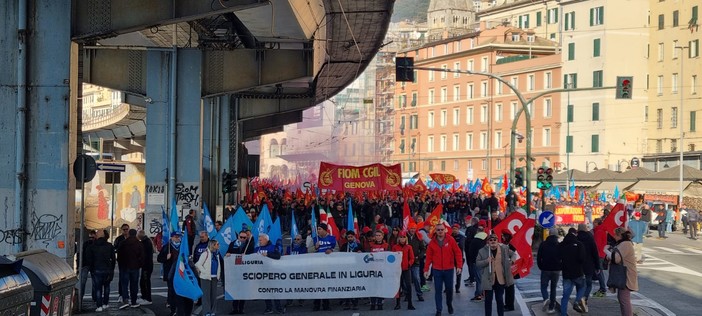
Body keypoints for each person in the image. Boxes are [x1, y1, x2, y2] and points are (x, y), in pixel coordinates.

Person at [423, 223, 462, 316]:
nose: (440, 231)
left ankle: (449, 304)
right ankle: (439, 309)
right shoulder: (432, 243)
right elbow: (428, 257)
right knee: (438, 290)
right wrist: (426, 269)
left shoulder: (451, 240)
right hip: (437, 270)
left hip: (449, 269)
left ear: (445, 230)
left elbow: (458, 253)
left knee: (449, 289)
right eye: (438, 230)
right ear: (435, 231)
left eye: (441, 229)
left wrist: (459, 266)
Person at [476, 233, 515, 316]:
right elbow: (478, 264)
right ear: (488, 242)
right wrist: (486, 261)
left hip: (500, 279)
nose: (493, 241)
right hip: (488, 279)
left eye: (494, 240)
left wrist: (511, 261)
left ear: (497, 241)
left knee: (500, 300)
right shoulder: (482, 251)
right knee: (488, 301)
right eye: (491, 240)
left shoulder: (504, 248)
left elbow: (513, 254)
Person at [604, 227, 639, 316]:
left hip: (626, 275)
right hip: (624, 274)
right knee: (622, 298)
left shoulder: (625, 244)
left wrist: (606, 251)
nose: (614, 237)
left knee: (624, 299)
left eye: (615, 235)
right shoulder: (623, 243)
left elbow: (616, 258)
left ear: (619, 235)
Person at [225, 229, 255, 314]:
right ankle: (234, 308)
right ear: (238, 236)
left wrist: (246, 256)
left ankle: (241, 308)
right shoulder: (232, 244)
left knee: (243, 290)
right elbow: (228, 253)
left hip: (244, 271)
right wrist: (228, 254)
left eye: (244, 237)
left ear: (246, 238)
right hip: (234, 271)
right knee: (235, 290)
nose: (242, 239)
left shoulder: (249, 245)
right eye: (241, 237)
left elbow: (252, 256)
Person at [559, 228, 588, 315]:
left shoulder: (562, 244)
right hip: (577, 272)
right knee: (583, 286)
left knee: (565, 296)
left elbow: (558, 257)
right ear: (576, 234)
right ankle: (577, 300)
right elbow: (582, 258)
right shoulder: (579, 244)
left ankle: (563, 314)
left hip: (566, 273)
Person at [85, 229, 115, 312]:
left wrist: (92, 269)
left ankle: (99, 306)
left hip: (97, 269)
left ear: (97, 236)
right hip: (107, 269)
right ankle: (105, 303)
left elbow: (89, 259)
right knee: (107, 287)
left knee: (98, 288)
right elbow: (113, 259)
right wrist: (111, 269)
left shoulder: (92, 246)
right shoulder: (109, 246)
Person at [256, 233, 284, 314]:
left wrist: (268, 254)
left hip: (272, 273)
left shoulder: (273, 247)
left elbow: (278, 256)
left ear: (266, 239)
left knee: (274, 291)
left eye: (260, 240)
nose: (259, 241)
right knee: (265, 291)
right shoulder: (257, 248)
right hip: (261, 273)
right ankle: (269, 308)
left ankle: (278, 308)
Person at [117, 229, 144, 309]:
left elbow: (119, 256)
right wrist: (139, 265)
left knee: (124, 284)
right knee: (134, 285)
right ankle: (133, 301)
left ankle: (125, 300)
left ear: (128, 234)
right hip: (135, 267)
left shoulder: (123, 243)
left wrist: (121, 265)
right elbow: (142, 257)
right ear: (135, 234)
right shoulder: (139, 244)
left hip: (124, 267)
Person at [158, 231, 183, 316]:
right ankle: (173, 309)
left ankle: (179, 307)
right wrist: (166, 257)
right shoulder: (167, 247)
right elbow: (159, 259)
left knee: (179, 290)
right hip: (170, 273)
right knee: (172, 290)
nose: (178, 238)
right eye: (176, 237)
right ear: (172, 238)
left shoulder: (182, 247)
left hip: (180, 272)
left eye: (179, 237)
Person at [195, 240, 223, 316]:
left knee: (213, 295)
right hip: (205, 277)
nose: (218, 245)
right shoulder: (205, 254)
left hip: (214, 277)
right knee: (206, 296)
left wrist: (218, 274)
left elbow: (218, 265)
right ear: (213, 245)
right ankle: (206, 312)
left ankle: (213, 311)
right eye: (217, 244)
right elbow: (198, 264)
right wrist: (205, 272)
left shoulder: (216, 254)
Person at [537, 227, 561, 314]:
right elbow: (562, 257)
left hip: (545, 268)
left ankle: (546, 298)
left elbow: (539, 257)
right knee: (553, 288)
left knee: (543, 286)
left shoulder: (543, 244)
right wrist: (560, 267)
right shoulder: (559, 245)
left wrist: (541, 266)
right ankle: (551, 308)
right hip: (556, 269)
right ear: (557, 235)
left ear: (549, 234)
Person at [576, 223, 601, 307]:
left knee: (579, 284)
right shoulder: (590, 238)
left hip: (579, 265)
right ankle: (585, 298)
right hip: (589, 265)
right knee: (588, 284)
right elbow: (595, 253)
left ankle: (579, 298)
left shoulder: (576, 238)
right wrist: (597, 266)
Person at [313, 223, 336, 311]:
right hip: (317, 265)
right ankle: (316, 304)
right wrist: (315, 247)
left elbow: (337, 249)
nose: (318, 231)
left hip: (328, 265)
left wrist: (331, 250)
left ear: (325, 229)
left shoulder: (332, 238)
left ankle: (326, 304)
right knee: (317, 285)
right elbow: (309, 250)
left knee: (326, 284)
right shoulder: (315, 239)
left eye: (320, 229)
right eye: (318, 229)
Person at [392, 230, 416, 310]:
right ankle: (398, 303)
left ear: (406, 239)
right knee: (398, 287)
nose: (402, 239)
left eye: (403, 237)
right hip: (397, 269)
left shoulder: (409, 247)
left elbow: (412, 258)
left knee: (408, 286)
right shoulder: (395, 247)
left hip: (406, 269)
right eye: (401, 237)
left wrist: (409, 264)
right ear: (398, 238)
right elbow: (392, 258)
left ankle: (410, 303)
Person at [339, 231, 362, 310]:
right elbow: (340, 256)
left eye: (351, 237)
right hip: (346, 269)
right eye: (348, 237)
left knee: (355, 286)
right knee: (347, 286)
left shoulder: (358, 246)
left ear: (354, 237)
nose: (350, 238)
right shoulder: (344, 246)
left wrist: (361, 253)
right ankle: (347, 302)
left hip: (356, 269)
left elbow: (365, 255)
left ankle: (355, 303)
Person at [368, 230, 389, 310]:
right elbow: (366, 256)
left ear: (382, 236)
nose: (378, 237)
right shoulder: (371, 245)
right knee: (373, 286)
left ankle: (380, 302)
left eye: (379, 235)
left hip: (382, 269)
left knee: (381, 286)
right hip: (372, 269)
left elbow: (389, 256)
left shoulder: (386, 245)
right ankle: (373, 303)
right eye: (376, 235)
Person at [406, 222, 426, 301]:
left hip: (415, 261)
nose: (412, 230)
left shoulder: (418, 237)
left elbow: (423, 248)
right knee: (406, 280)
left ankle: (419, 294)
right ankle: (407, 294)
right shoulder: (404, 236)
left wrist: (419, 256)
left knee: (416, 278)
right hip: (406, 261)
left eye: (414, 228)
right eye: (411, 228)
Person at [469, 223, 488, 302]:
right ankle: (484, 294)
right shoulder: (487, 239)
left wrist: (472, 261)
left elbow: (471, 252)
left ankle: (479, 295)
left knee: (479, 279)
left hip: (477, 262)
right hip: (486, 261)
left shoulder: (475, 240)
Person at [78, 229, 97, 305]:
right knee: (83, 282)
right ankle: (82, 297)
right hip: (87, 264)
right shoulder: (87, 244)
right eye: (90, 237)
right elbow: (81, 254)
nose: (91, 239)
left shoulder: (88, 244)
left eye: (92, 237)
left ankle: (94, 297)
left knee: (93, 282)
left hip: (89, 264)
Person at [192, 231, 210, 306]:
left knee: (206, 286)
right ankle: (200, 300)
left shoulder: (210, 245)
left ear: (207, 236)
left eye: (203, 237)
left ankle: (207, 300)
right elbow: (195, 256)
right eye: (200, 237)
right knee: (199, 285)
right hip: (199, 269)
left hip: (207, 268)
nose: (201, 238)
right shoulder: (198, 245)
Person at [137, 230, 154, 306]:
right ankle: (144, 296)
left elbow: (143, 255)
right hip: (146, 264)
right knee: (142, 282)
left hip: (147, 265)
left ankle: (148, 298)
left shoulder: (145, 243)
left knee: (146, 281)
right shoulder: (146, 241)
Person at [450, 224, 466, 294]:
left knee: (458, 274)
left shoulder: (461, 237)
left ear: (458, 230)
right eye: (453, 229)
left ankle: (457, 287)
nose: (454, 230)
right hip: (450, 257)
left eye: (456, 229)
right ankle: (448, 287)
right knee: (449, 274)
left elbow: (461, 246)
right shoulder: (449, 236)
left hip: (459, 258)